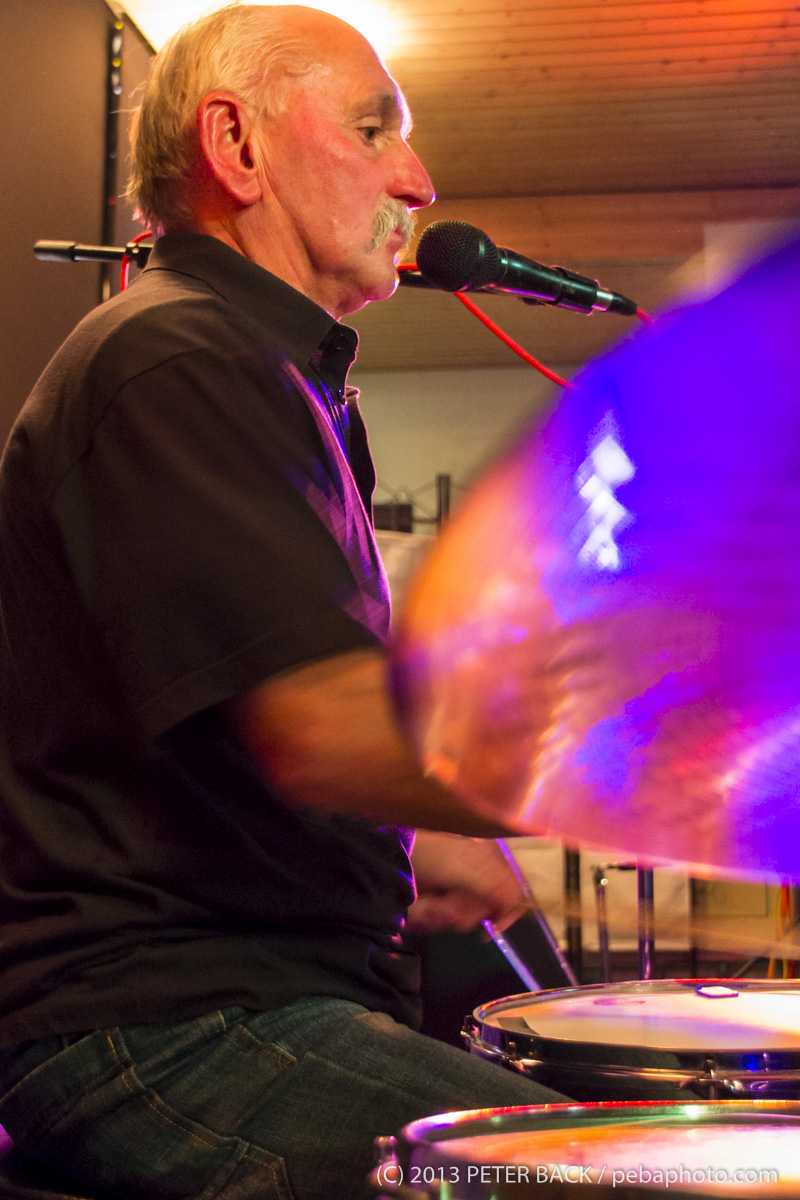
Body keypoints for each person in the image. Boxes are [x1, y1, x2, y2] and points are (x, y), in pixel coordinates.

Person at [0, 6, 566, 1198]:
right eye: (372, 129)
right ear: (237, 145)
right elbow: (323, 733)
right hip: (165, 1028)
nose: (417, 180)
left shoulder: (260, 374)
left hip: (242, 998)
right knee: (642, 1176)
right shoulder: (179, 355)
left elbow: (263, 728)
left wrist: (424, 843)